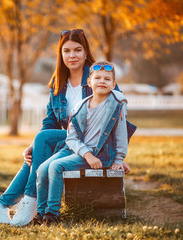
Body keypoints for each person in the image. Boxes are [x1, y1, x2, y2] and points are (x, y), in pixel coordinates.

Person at [0, 29, 135, 227]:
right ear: (61, 54)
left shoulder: (99, 76)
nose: (72, 55)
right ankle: (6, 206)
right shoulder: (58, 83)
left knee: (42, 141)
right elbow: (50, 121)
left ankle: (24, 203)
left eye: (77, 50)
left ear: (85, 52)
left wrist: (116, 156)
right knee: (36, 150)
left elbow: (118, 118)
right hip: (70, 140)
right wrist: (32, 144)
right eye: (66, 51)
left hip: (89, 142)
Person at [34, 61, 130, 226]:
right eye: (97, 78)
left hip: (98, 154)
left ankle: (52, 214)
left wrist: (119, 159)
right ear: (89, 82)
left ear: (113, 84)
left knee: (56, 167)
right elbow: (71, 138)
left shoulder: (117, 104)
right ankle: (41, 213)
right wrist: (86, 154)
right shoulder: (81, 106)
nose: (102, 81)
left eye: (107, 79)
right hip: (77, 150)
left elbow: (121, 133)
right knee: (42, 168)